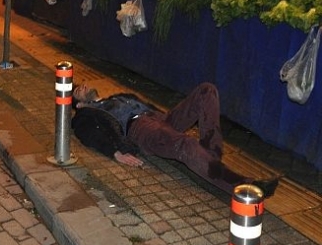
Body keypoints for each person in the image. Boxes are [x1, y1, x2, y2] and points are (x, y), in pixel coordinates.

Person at [71, 82, 280, 197]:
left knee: (207, 91)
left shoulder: (116, 97)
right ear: (79, 104)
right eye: (77, 91)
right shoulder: (87, 114)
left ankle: (210, 159)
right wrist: (115, 152)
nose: (83, 86)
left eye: (82, 84)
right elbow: (88, 134)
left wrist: (166, 118)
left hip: (160, 118)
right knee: (186, 144)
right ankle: (246, 187)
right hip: (140, 129)